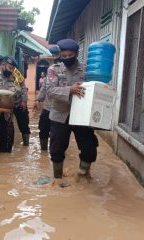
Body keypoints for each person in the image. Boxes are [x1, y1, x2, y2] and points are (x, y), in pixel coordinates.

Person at [46, 39, 99, 180]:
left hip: (82, 115)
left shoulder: (87, 69)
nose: (67, 58)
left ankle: (83, 175)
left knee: (89, 147)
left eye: (70, 55)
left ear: (76, 54)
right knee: (57, 149)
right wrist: (70, 89)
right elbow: (50, 91)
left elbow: (96, 87)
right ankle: (57, 178)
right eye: (64, 56)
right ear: (60, 55)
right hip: (60, 114)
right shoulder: (53, 70)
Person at [33, 46, 61, 151]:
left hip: (62, 108)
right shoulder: (51, 69)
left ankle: (57, 151)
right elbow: (45, 86)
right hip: (48, 106)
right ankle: (43, 152)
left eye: (57, 55)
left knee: (59, 133)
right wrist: (37, 100)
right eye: (53, 55)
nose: (55, 57)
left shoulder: (69, 69)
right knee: (43, 127)